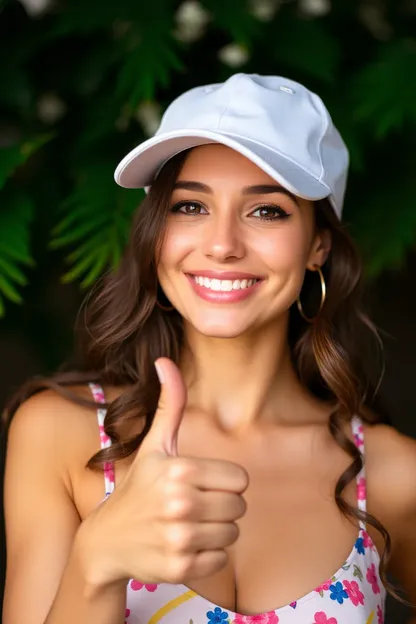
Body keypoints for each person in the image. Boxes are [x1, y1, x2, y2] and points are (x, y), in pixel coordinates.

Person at [2, 73, 416, 624]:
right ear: (155, 235)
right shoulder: (58, 434)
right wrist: (95, 562)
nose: (222, 245)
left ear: (318, 244)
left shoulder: (394, 474)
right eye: (189, 207)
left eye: (266, 210)